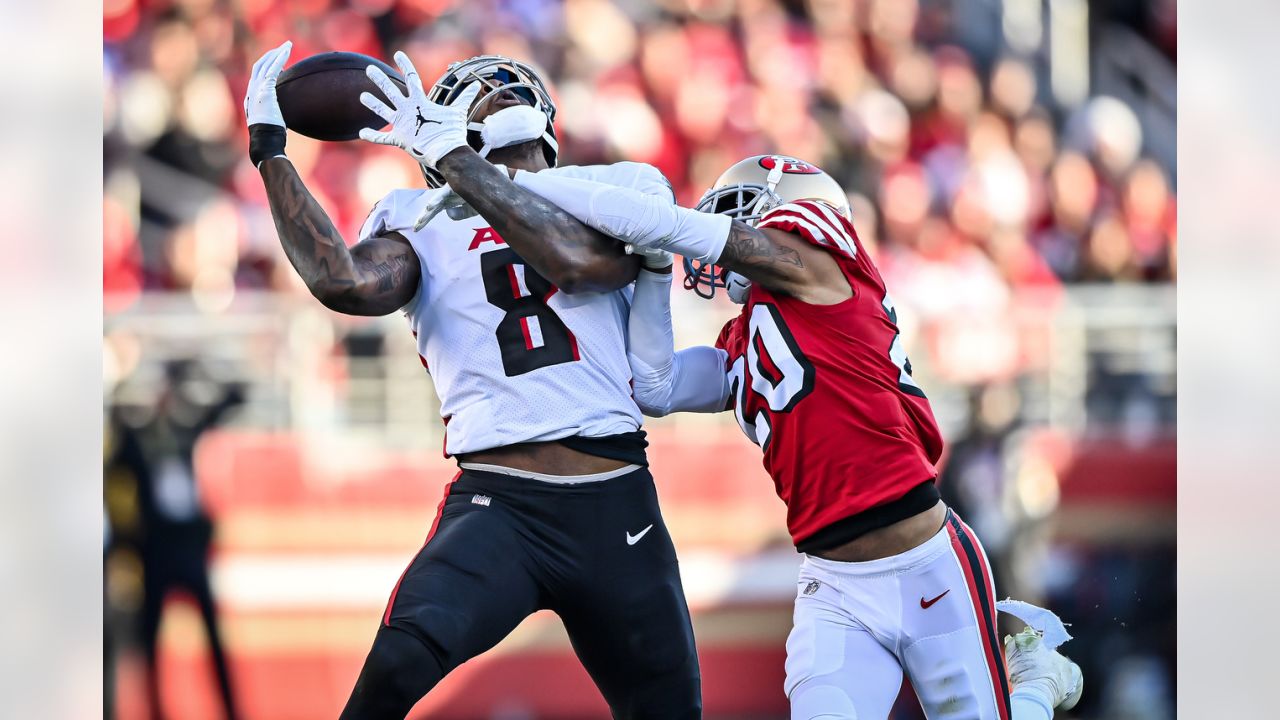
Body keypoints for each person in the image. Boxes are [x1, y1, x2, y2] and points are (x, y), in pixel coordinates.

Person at [502, 155, 1084, 720]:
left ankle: (1032, 682)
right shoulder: (747, 332)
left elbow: (679, 227)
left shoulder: (827, 263)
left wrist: (516, 183)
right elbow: (656, 386)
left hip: (923, 562)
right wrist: (654, 268)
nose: (728, 226)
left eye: (737, 210)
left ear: (788, 209)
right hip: (832, 581)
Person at [243, 43, 700, 719]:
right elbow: (340, 280)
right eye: (480, 91)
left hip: (614, 502)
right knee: (391, 673)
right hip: (501, 509)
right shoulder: (417, 222)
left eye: (512, 85)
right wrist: (271, 153)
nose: (500, 93)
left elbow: (575, 263)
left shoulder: (617, 189)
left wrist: (457, 162)